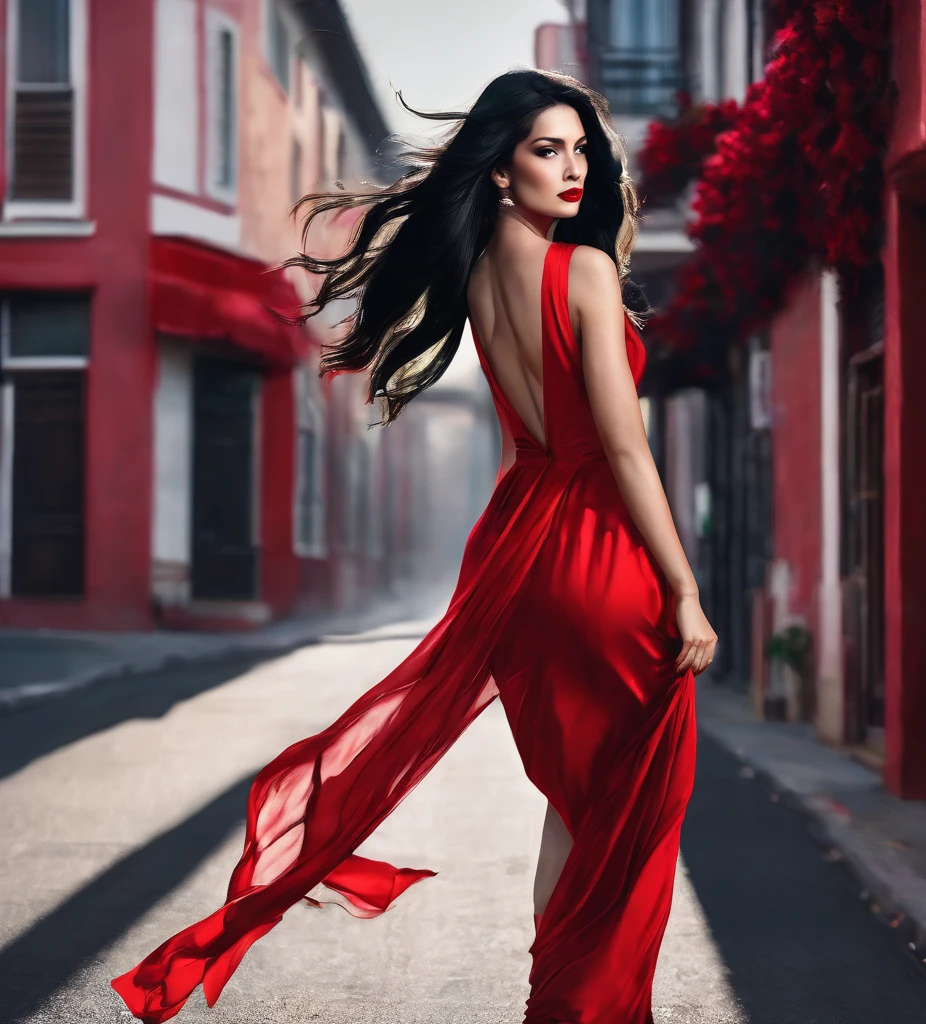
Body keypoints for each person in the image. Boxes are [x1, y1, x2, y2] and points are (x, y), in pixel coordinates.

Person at [111, 68, 717, 1024]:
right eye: (545, 149)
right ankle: (590, 1012)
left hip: (520, 558)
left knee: (573, 801)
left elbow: (536, 433)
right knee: (638, 805)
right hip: (602, 556)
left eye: (580, 148)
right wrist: (682, 587)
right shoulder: (586, 271)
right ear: (501, 171)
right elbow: (624, 447)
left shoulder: (479, 277)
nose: (573, 168)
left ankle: (553, 1005)